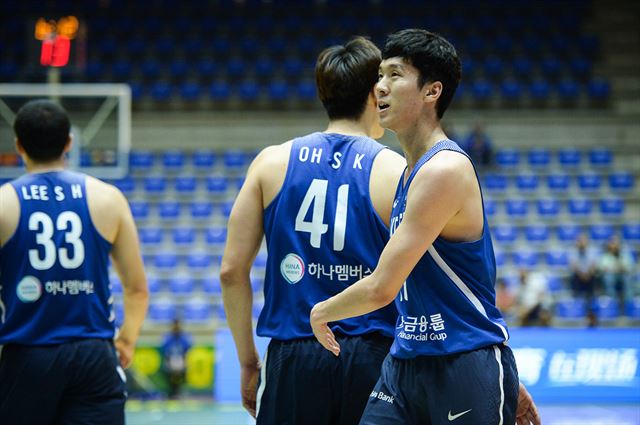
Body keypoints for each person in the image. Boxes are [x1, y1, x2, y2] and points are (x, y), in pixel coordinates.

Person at [310, 29, 540, 425]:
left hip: (462, 362)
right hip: (406, 363)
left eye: (395, 75)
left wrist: (321, 312)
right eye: (379, 75)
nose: (379, 86)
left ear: (432, 91)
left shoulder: (444, 168)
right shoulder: (409, 173)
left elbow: (383, 286)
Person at [220, 37, 407, 424]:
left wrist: (248, 361)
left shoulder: (270, 163)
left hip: (294, 353)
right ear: (376, 93)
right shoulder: (394, 169)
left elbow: (231, 272)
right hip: (373, 353)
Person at [0, 100, 149, 424]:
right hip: (93, 354)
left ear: (18, 145)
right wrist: (126, 339)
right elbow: (137, 289)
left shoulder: (4, 202)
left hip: (28, 353)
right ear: (69, 142)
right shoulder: (107, 197)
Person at [598, 235, 635, 306]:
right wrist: (614, 269)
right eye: (612, 243)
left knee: (627, 278)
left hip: (622, 276)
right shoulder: (605, 255)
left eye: (616, 243)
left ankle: (628, 303)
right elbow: (602, 268)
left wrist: (620, 267)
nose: (614, 245)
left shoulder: (624, 254)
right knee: (608, 278)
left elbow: (629, 268)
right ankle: (613, 303)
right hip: (611, 276)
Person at [161, 318, 192, 399]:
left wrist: (184, 361)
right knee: (166, 369)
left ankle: (179, 390)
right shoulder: (168, 337)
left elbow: (187, 351)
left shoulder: (184, 337)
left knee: (183, 369)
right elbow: (165, 352)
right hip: (170, 360)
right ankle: (172, 390)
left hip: (181, 360)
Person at [569, 233, 599, 302]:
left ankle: (591, 302)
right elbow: (573, 266)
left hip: (589, 275)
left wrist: (588, 274)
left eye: (583, 240)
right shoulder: (573, 251)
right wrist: (582, 275)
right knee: (574, 277)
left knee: (593, 277)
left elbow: (593, 265)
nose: (582, 242)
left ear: (587, 241)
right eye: (580, 241)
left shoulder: (592, 251)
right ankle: (577, 301)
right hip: (578, 275)